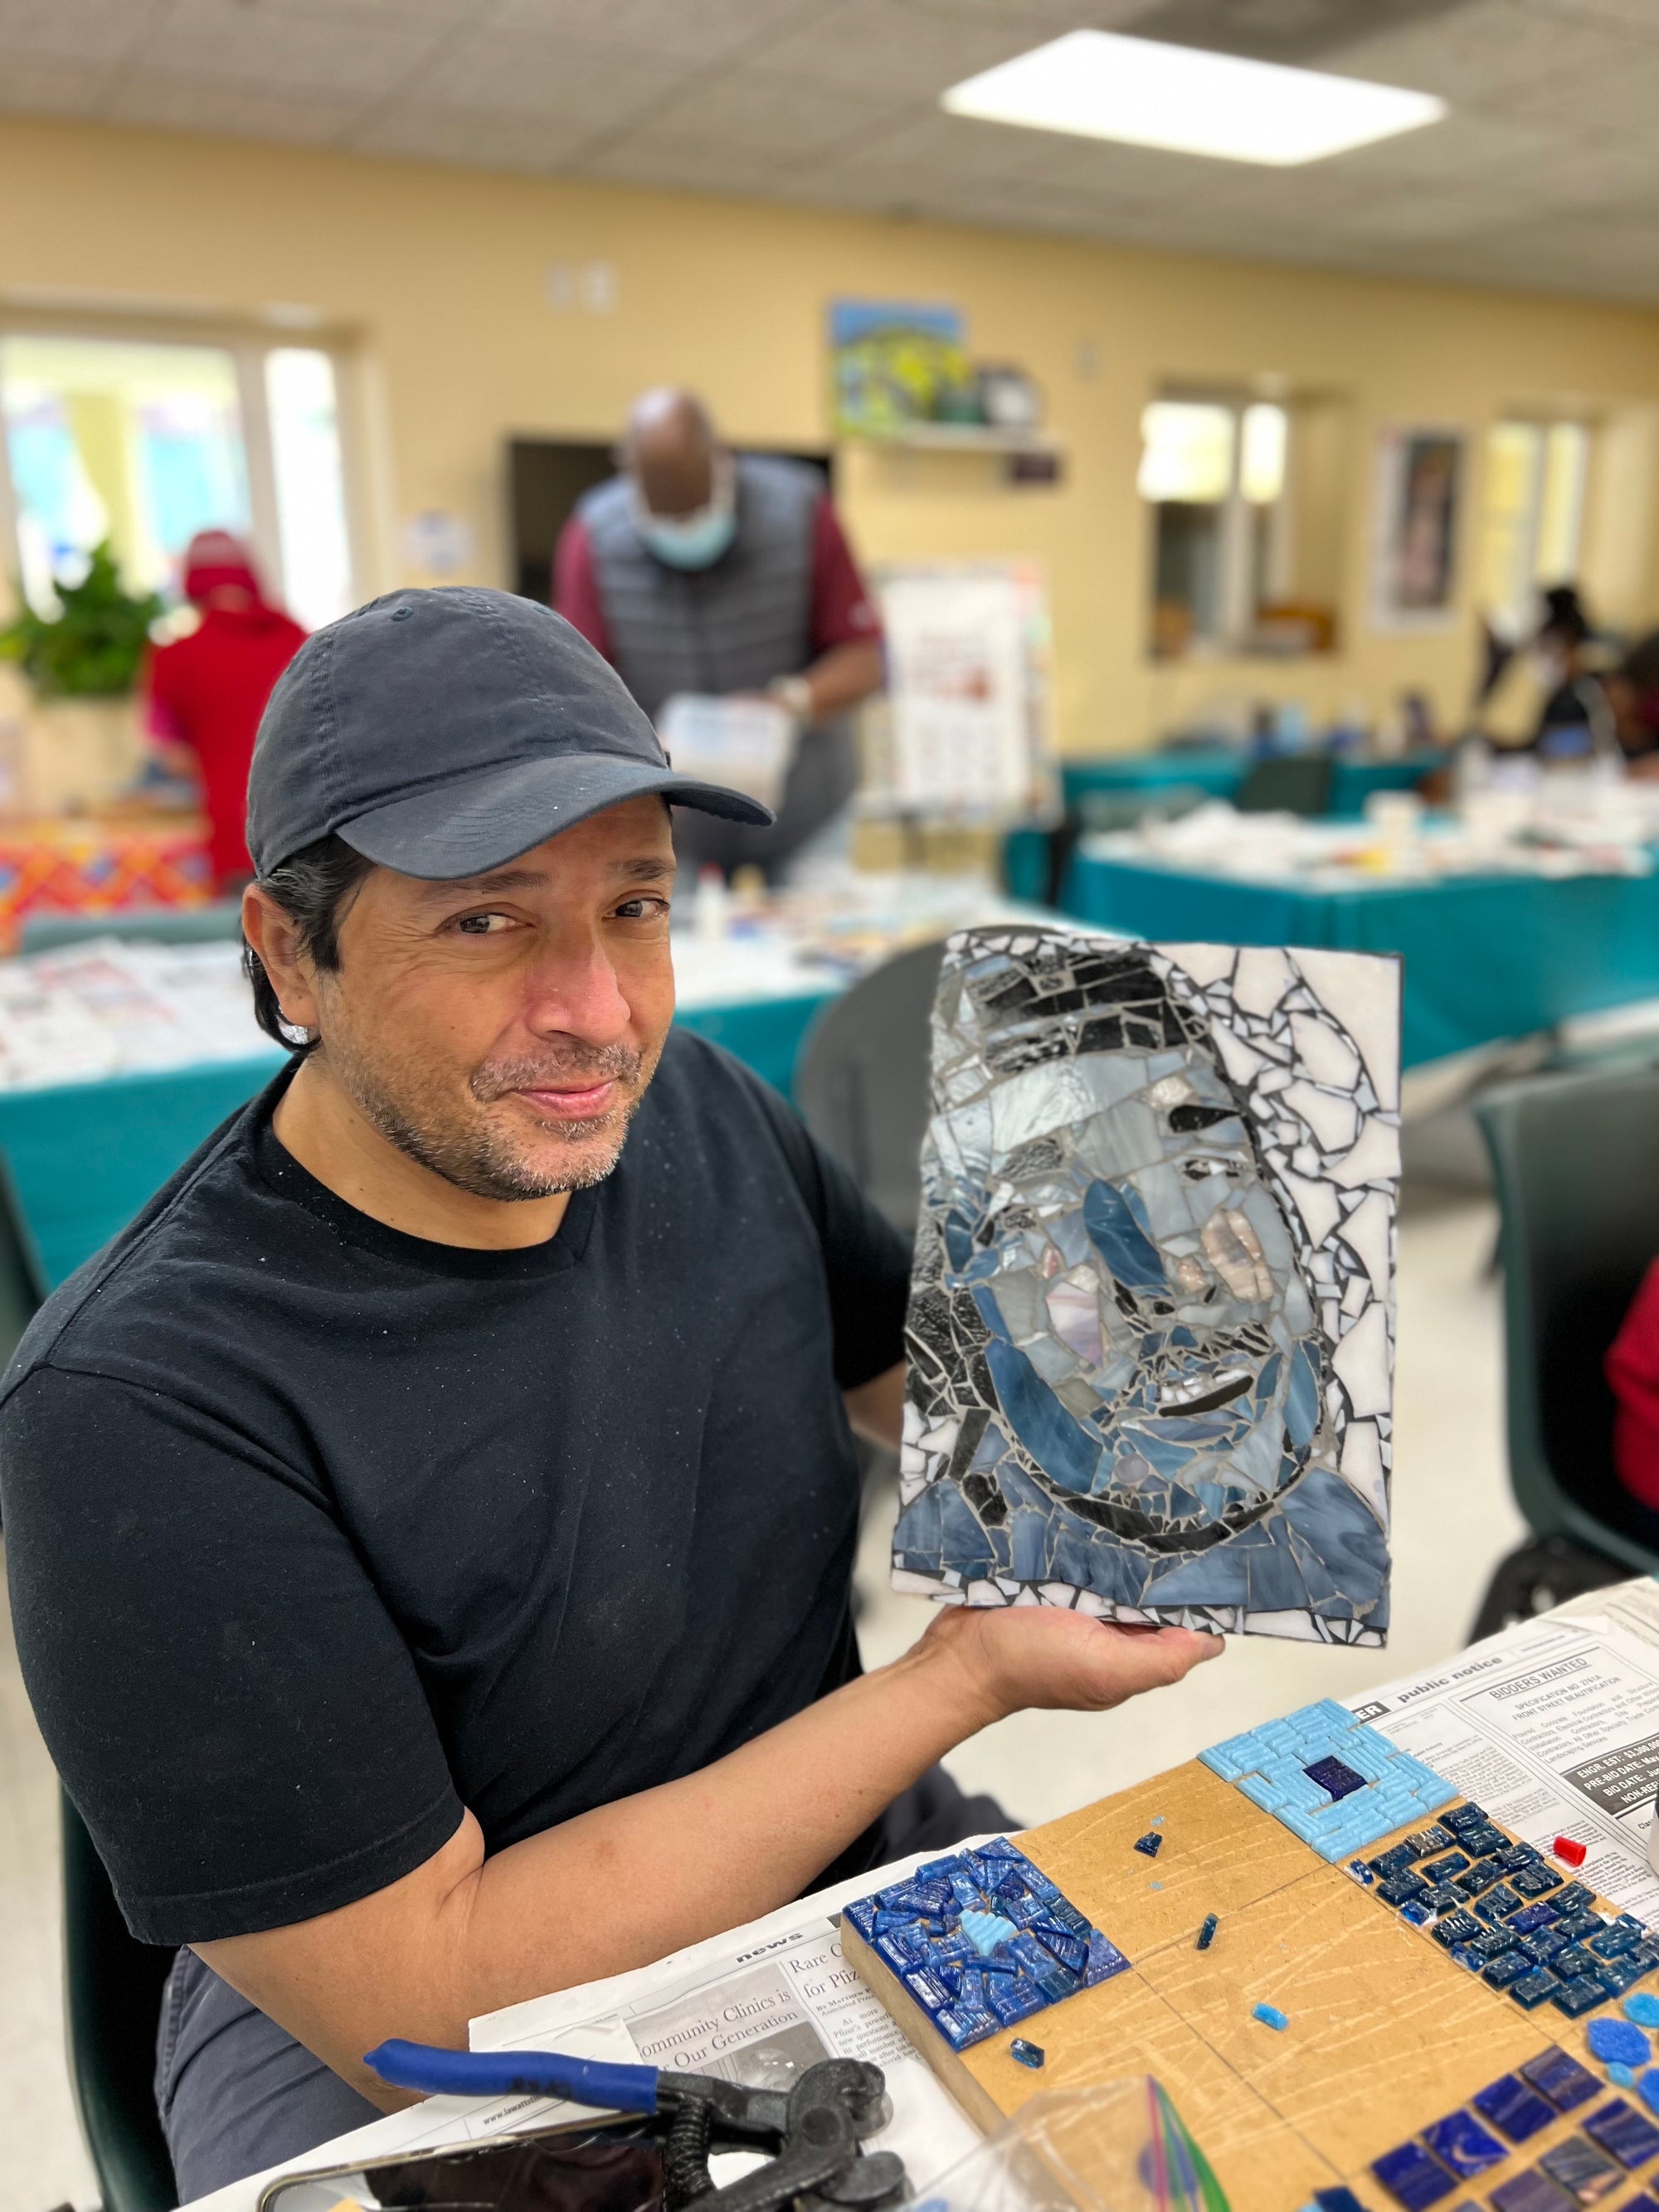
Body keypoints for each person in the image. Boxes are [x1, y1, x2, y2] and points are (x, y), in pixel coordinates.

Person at [0, 589, 1220, 2198]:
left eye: (634, 905)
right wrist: (956, 1675)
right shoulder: (141, 1406)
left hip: (839, 1840)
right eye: (486, 920)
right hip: (426, 2045)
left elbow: (921, 1395)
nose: (597, 1010)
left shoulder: (701, 1107)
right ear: (289, 947)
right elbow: (426, 2006)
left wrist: (1179, 1365)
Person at [554, 388, 884, 878]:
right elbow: (573, 691)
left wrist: (789, 704)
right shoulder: (593, 538)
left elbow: (866, 658)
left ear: (722, 460)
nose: (685, 528)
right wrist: (643, 752)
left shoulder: (800, 510)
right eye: (667, 516)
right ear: (631, 479)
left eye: (695, 509)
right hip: (671, 824)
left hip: (805, 811)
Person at [146, 531, 307, 889]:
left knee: (246, 938)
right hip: (308, 829)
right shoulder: (299, 641)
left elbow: (171, 756)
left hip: (234, 833)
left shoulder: (174, 658)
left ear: (191, 583)